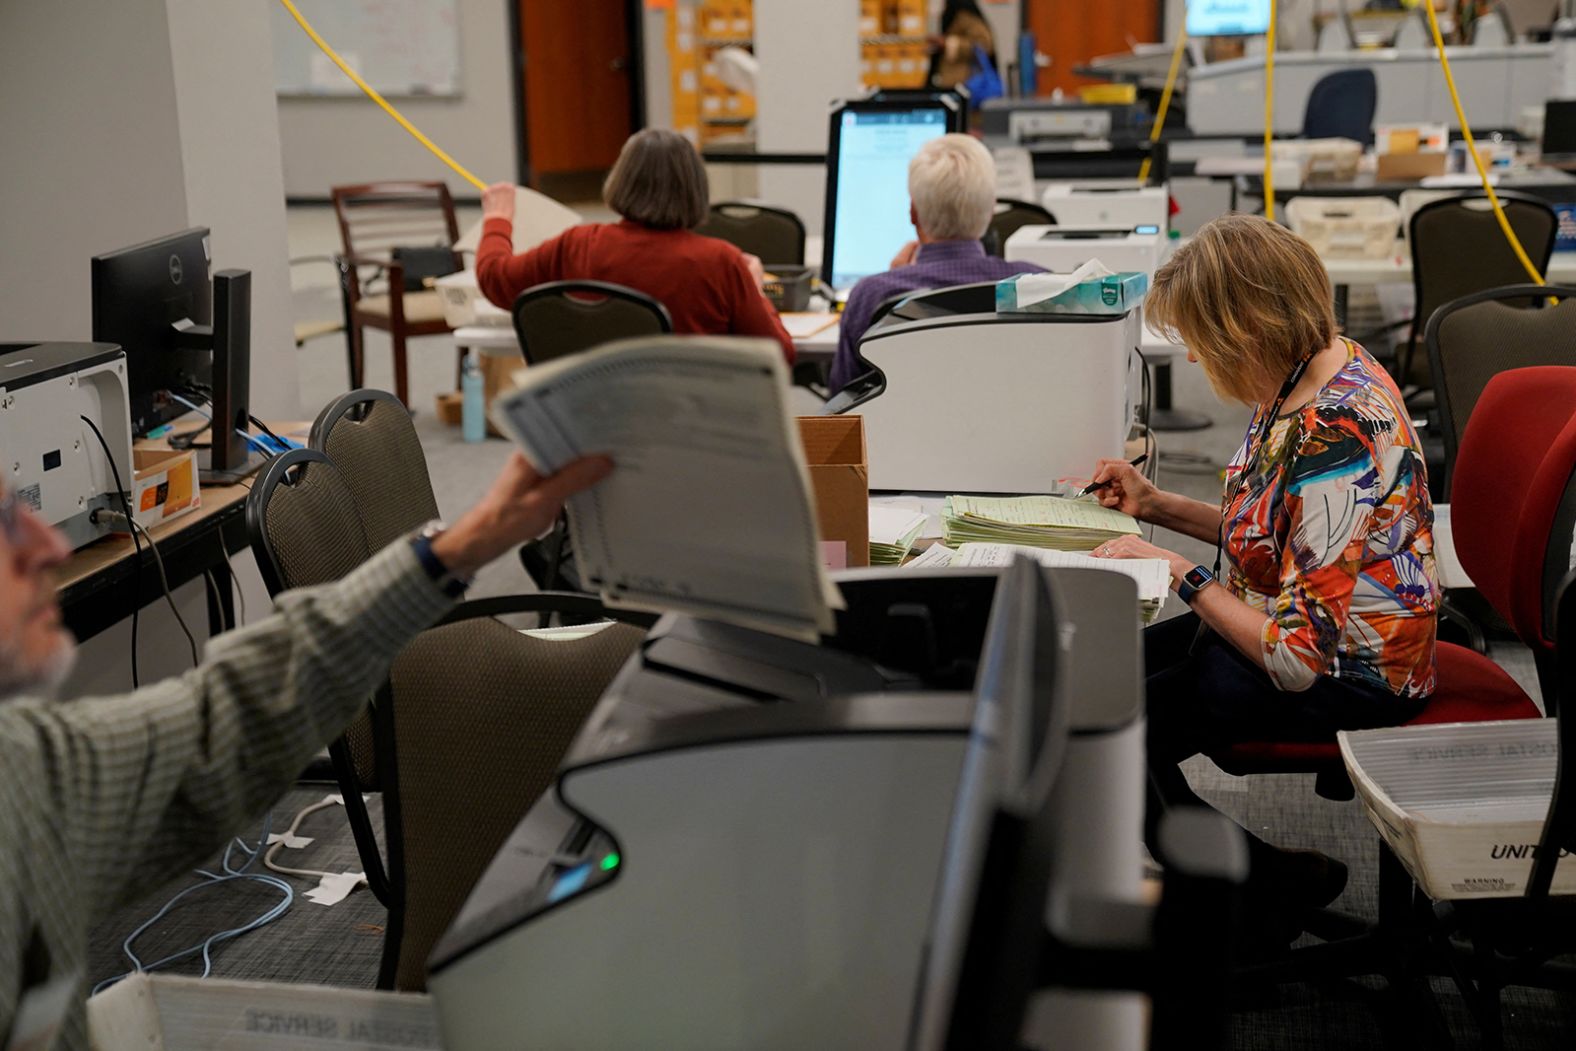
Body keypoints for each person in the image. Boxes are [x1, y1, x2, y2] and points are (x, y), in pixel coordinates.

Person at [0, 450, 612, 1049]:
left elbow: (230, 721)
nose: (50, 548)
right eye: (4, 523)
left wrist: (460, 547)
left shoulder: (23, 760)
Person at [1087, 215, 1438, 944]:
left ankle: (1249, 889)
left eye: (1200, 340)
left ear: (1247, 329)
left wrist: (1179, 574)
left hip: (1354, 670)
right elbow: (1275, 536)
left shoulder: (1333, 433)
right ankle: (1260, 882)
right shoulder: (1307, 372)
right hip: (1293, 617)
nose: (1193, 355)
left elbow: (1296, 659)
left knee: (1117, 733)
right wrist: (1157, 505)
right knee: (1096, 687)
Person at [476, 129, 795, 363]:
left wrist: (497, 220)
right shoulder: (721, 262)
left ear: (621, 180)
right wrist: (754, 289)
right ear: (696, 189)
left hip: (592, 424)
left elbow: (495, 279)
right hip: (693, 431)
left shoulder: (576, 245)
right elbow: (778, 355)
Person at [828, 134, 1043, 393]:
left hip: (901, 432)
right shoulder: (1037, 285)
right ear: (990, 211)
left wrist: (895, 286)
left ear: (913, 212)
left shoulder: (872, 295)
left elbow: (841, 403)